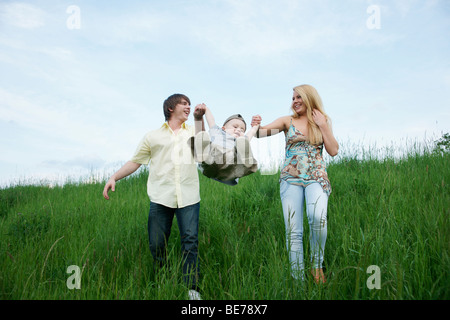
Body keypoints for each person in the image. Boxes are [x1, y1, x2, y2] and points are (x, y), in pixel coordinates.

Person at [102, 93, 204, 300]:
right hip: (161, 196)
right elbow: (135, 161)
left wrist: (199, 119)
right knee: (157, 243)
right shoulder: (152, 136)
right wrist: (114, 177)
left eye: (189, 104)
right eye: (184, 104)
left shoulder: (193, 131)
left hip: (189, 195)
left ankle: (192, 288)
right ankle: (163, 280)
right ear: (170, 108)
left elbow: (202, 151)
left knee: (190, 241)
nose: (188, 107)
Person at [252, 84, 338, 284]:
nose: (295, 101)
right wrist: (256, 124)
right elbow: (260, 133)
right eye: (293, 98)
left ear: (309, 98)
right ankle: (298, 281)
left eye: (299, 97)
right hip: (290, 179)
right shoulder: (287, 121)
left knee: (318, 217)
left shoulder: (322, 121)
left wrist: (323, 125)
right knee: (294, 231)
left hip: (316, 177)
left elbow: (333, 151)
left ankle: (317, 266)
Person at [191, 105, 259, 185]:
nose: (238, 130)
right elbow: (211, 120)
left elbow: (252, 132)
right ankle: (202, 152)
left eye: (242, 130)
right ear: (223, 128)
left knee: (243, 143)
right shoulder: (218, 132)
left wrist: (256, 125)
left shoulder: (241, 141)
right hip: (213, 161)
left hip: (231, 168)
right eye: (235, 127)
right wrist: (205, 109)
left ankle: (248, 162)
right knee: (203, 140)